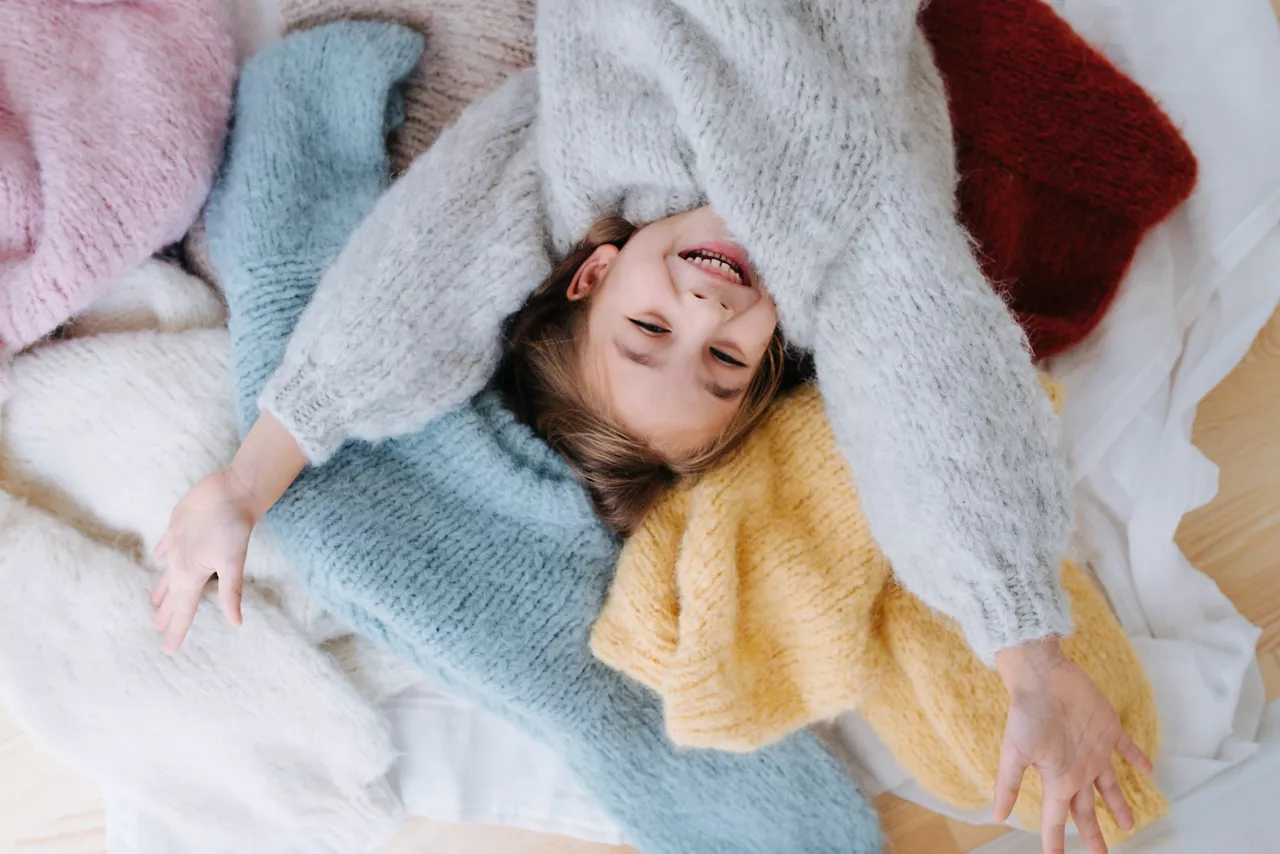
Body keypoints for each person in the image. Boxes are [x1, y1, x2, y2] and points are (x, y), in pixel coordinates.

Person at [156, 2, 1153, 851]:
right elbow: (931, 391)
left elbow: (416, 286)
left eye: (647, 330)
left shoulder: (572, 166)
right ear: (768, 364)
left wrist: (247, 482)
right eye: (722, 362)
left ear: (590, 276)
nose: (707, 313)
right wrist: (1026, 652)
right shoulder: (841, 247)